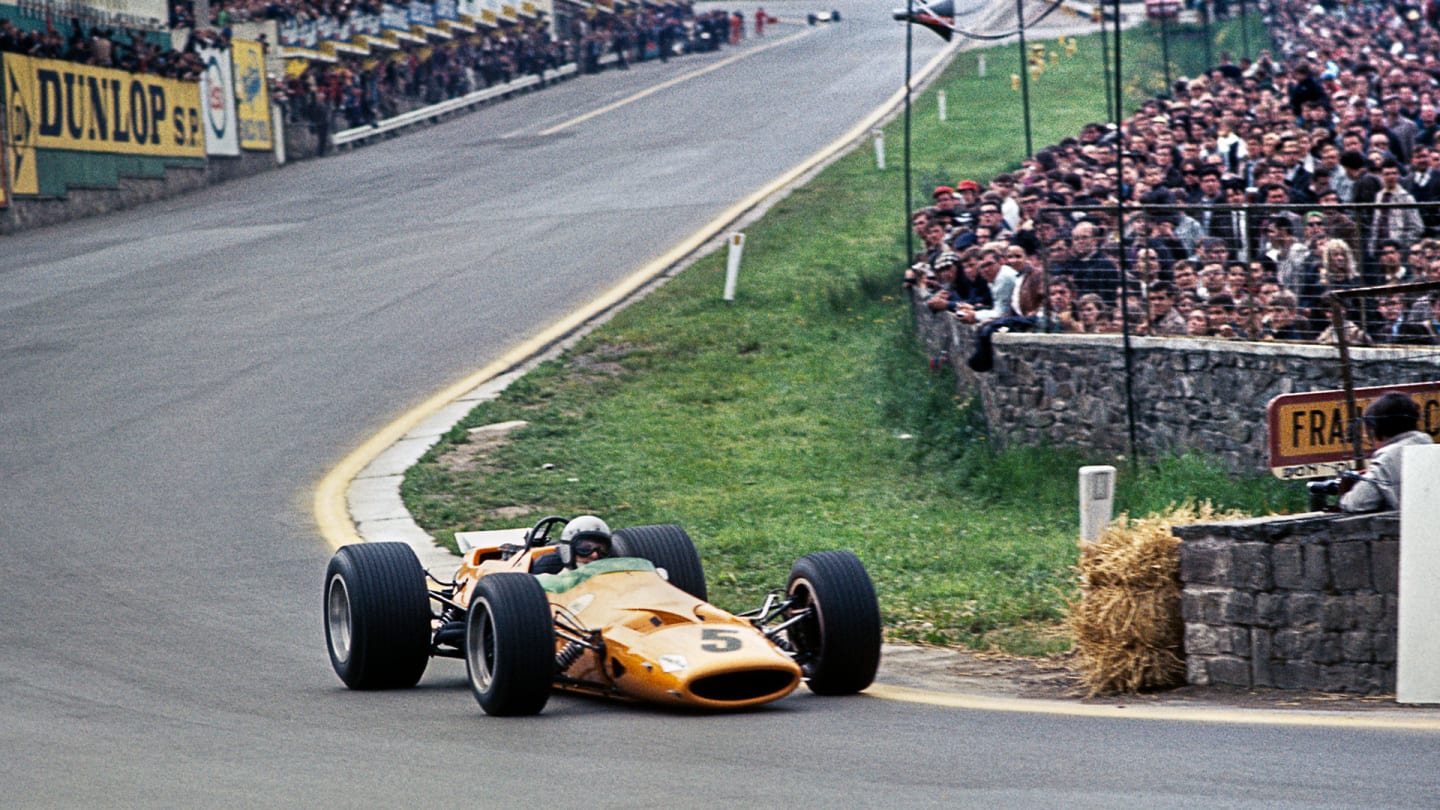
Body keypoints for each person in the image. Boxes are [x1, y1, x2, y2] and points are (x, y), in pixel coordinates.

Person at [1338, 393, 1435, 512]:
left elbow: (1358, 503)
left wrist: (1346, 493)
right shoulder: (1428, 445)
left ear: (1378, 430)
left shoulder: (1388, 459)